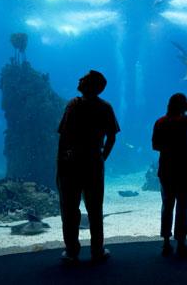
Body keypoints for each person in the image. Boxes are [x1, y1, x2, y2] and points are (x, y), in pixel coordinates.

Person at [57, 70, 120, 263]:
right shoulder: (105, 107)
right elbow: (112, 136)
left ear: (91, 84)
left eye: (84, 78)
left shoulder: (73, 105)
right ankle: (97, 250)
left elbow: (64, 137)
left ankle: (72, 251)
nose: (79, 79)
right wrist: (102, 158)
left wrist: (62, 163)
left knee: (69, 208)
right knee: (95, 209)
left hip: (71, 163)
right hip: (93, 162)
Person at [152, 93, 187, 257]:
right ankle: (181, 244)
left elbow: (155, 146)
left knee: (167, 205)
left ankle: (166, 243)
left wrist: (168, 149)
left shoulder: (160, 122)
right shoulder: (184, 120)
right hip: (183, 169)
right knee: (182, 206)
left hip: (166, 169)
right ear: (183, 106)